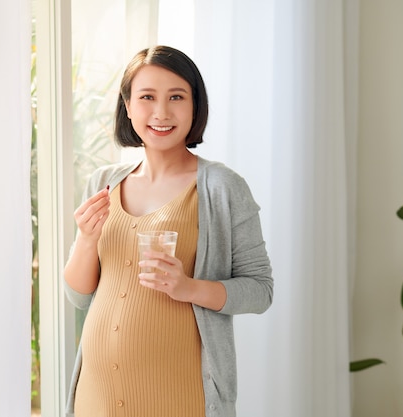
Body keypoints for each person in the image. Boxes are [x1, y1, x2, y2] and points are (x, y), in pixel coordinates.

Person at [63, 45, 273, 417]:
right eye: (147, 97)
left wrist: (188, 287)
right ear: (128, 106)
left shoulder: (222, 187)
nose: (161, 112)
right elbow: (79, 296)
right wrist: (87, 237)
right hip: (96, 398)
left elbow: (260, 290)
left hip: (179, 398)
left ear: (195, 106)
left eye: (176, 97)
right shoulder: (104, 183)